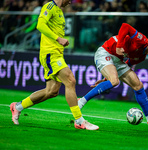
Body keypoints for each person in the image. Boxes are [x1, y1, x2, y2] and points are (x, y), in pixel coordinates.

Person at [10, 0, 99, 130]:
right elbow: (40, 25)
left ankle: (17, 107)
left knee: (51, 91)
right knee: (70, 80)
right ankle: (80, 121)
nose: (70, 2)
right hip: (50, 54)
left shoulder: (59, 11)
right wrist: (58, 38)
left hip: (56, 54)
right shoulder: (49, 6)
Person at [78, 23, 148, 128]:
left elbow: (126, 66)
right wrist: (119, 46)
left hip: (117, 60)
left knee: (138, 85)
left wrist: (107, 77)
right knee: (115, 81)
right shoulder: (142, 40)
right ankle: (81, 101)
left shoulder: (141, 57)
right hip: (105, 52)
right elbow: (125, 26)